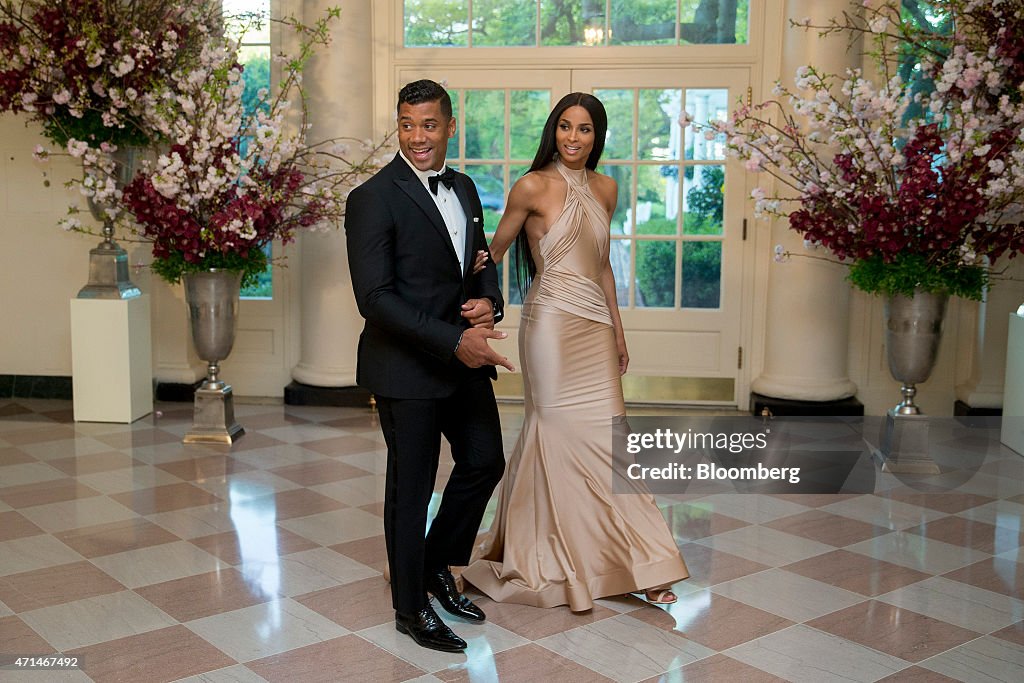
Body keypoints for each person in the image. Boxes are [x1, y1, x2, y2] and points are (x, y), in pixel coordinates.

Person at [461, 92, 689, 611]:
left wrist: (619, 330)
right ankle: (559, 558)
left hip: (593, 327)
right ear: (553, 131)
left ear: (597, 136)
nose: (573, 137)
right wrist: (466, 300)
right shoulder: (531, 186)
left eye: (584, 129)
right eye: (565, 127)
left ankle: (640, 561)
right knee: (559, 438)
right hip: (550, 325)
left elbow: (603, 264)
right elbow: (491, 255)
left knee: (614, 447)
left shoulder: (607, 188)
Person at [344, 79, 515, 653]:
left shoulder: (464, 187)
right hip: (406, 365)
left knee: (485, 461)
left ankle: (436, 564)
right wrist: (453, 340)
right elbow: (375, 298)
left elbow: (480, 258)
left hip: (462, 360)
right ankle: (409, 608)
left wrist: (489, 299)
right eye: (408, 124)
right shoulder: (373, 197)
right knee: (411, 487)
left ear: (450, 127)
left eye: (429, 124)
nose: (418, 136)